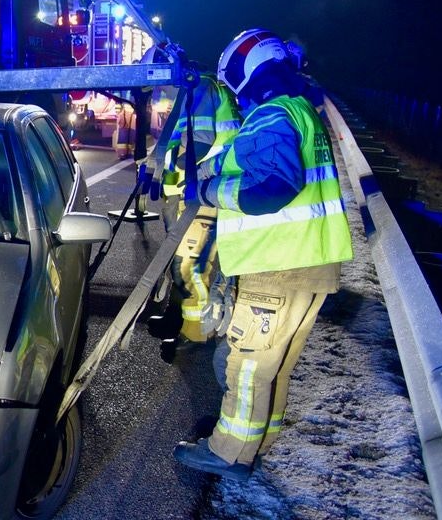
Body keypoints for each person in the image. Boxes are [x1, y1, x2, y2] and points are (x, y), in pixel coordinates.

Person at [172, 28, 352, 480]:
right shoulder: (299, 111)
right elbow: (248, 157)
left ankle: (229, 453)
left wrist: (211, 190)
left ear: (248, 69)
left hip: (277, 266)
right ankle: (257, 443)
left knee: (247, 366)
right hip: (310, 264)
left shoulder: (271, 114)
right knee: (277, 367)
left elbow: (273, 187)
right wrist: (205, 168)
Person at [151, 68, 241, 359]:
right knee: (178, 264)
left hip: (201, 197)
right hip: (195, 195)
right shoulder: (197, 92)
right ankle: (176, 318)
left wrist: (169, 169)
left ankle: (195, 331)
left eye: (161, 86)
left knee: (188, 268)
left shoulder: (200, 89)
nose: (161, 93)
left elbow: (198, 145)